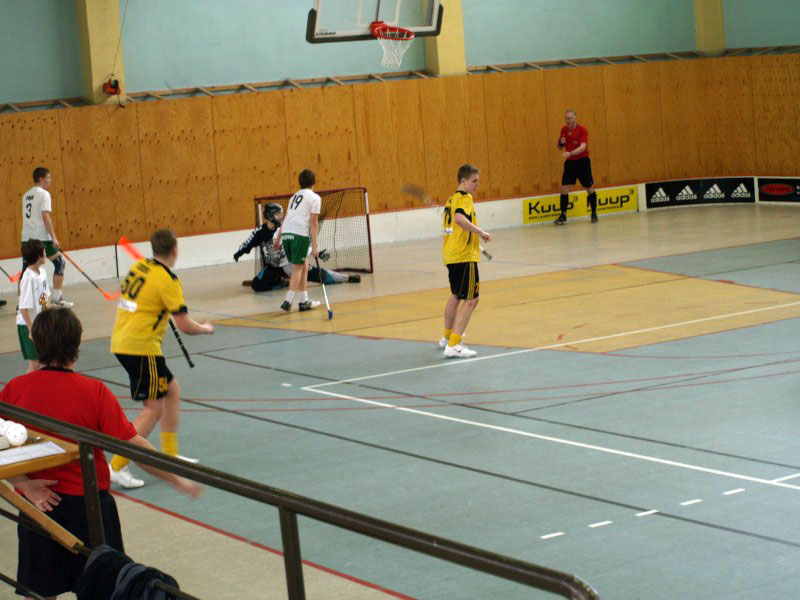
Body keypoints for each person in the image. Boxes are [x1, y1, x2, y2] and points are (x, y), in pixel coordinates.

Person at [0, 307, 201, 599]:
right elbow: (134, 446)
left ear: (37, 344)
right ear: (77, 346)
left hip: (36, 507)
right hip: (89, 509)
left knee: (40, 590)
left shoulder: (15, 389)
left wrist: (24, 484)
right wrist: (176, 479)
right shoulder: (94, 391)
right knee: (103, 588)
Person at [108, 229, 214, 489]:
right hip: (141, 348)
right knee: (152, 409)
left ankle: (169, 454)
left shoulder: (139, 267)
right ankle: (116, 466)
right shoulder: (168, 279)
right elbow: (185, 325)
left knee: (172, 390)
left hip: (123, 340)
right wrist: (205, 329)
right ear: (175, 249)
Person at [235, 203, 361, 291]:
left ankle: (346, 278)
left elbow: (298, 244)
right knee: (257, 285)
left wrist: (316, 252)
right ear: (270, 215)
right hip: (273, 267)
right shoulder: (260, 231)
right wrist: (239, 253)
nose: (280, 217)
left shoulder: (285, 228)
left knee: (318, 275)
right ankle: (281, 283)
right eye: (278, 214)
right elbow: (248, 243)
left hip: (290, 264)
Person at [438, 164, 491, 358]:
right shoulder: (465, 198)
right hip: (464, 255)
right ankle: (454, 344)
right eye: (474, 181)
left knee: (456, 296)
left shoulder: (451, 199)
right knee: (472, 300)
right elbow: (460, 219)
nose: (477, 184)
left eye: (478, 181)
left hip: (451, 255)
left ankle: (447, 338)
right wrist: (480, 231)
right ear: (463, 181)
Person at [20, 166, 73, 307]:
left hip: (26, 238)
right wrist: (54, 237)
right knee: (60, 263)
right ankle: (57, 298)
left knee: (26, 269)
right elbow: (45, 217)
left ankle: (22, 303)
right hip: (41, 237)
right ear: (41, 179)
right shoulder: (44, 194)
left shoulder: (26, 195)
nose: (50, 180)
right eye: (48, 178)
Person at [273, 169, 321, 312]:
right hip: (299, 234)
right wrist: (315, 246)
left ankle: (304, 301)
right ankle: (288, 301)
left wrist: (278, 238)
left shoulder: (293, 197)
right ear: (314, 182)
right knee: (298, 267)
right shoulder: (315, 198)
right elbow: (314, 223)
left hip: (286, 233)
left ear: (300, 182)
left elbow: (286, 218)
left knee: (303, 265)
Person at [555, 109, 597, 225]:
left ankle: (594, 213)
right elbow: (559, 147)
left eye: (569, 118)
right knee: (564, 188)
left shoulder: (582, 130)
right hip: (570, 163)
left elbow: (583, 147)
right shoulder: (564, 130)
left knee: (589, 187)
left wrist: (570, 153)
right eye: (566, 118)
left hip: (582, 162)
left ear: (575, 118)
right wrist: (561, 143)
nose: (567, 121)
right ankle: (563, 215)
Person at [16, 240, 50, 373]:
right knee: (35, 364)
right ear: (39, 256)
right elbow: (23, 308)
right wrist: (31, 329)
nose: (46, 254)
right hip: (28, 325)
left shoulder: (43, 273)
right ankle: (24, 385)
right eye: (44, 252)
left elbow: (46, 299)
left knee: (44, 362)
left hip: (40, 323)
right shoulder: (28, 278)